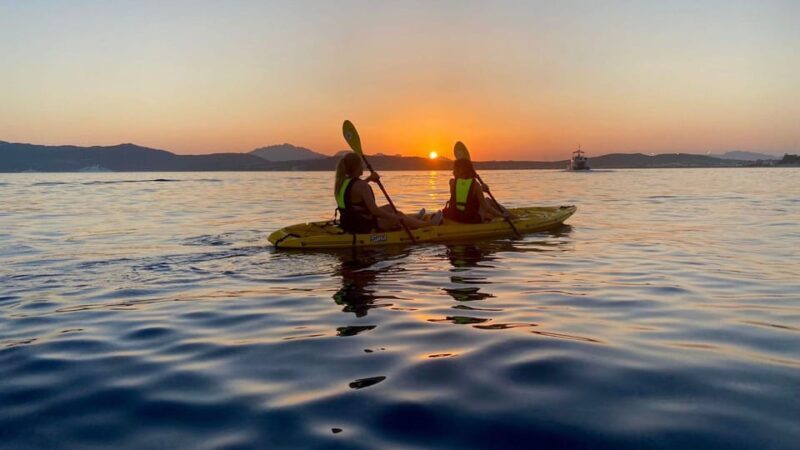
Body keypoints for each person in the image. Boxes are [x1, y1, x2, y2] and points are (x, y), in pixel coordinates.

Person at [334, 153, 442, 233]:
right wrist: (393, 217)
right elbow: (374, 211)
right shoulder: (362, 186)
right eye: (361, 164)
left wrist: (369, 179)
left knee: (390, 207)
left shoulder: (342, 183)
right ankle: (427, 225)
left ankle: (414, 219)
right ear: (356, 167)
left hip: (349, 223)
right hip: (364, 227)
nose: (363, 166)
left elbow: (354, 192)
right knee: (397, 215)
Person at [442, 158, 507, 223]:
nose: (453, 171)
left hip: (455, 216)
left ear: (460, 170)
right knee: (488, 201)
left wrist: (480, 189)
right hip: (471, 219)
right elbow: (486, 207)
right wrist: (501, 215)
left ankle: (493, 216)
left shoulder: (452, 182)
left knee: (485, 203)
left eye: (454, 168)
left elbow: (462, 192)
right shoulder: (476, 185)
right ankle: (510, 216)